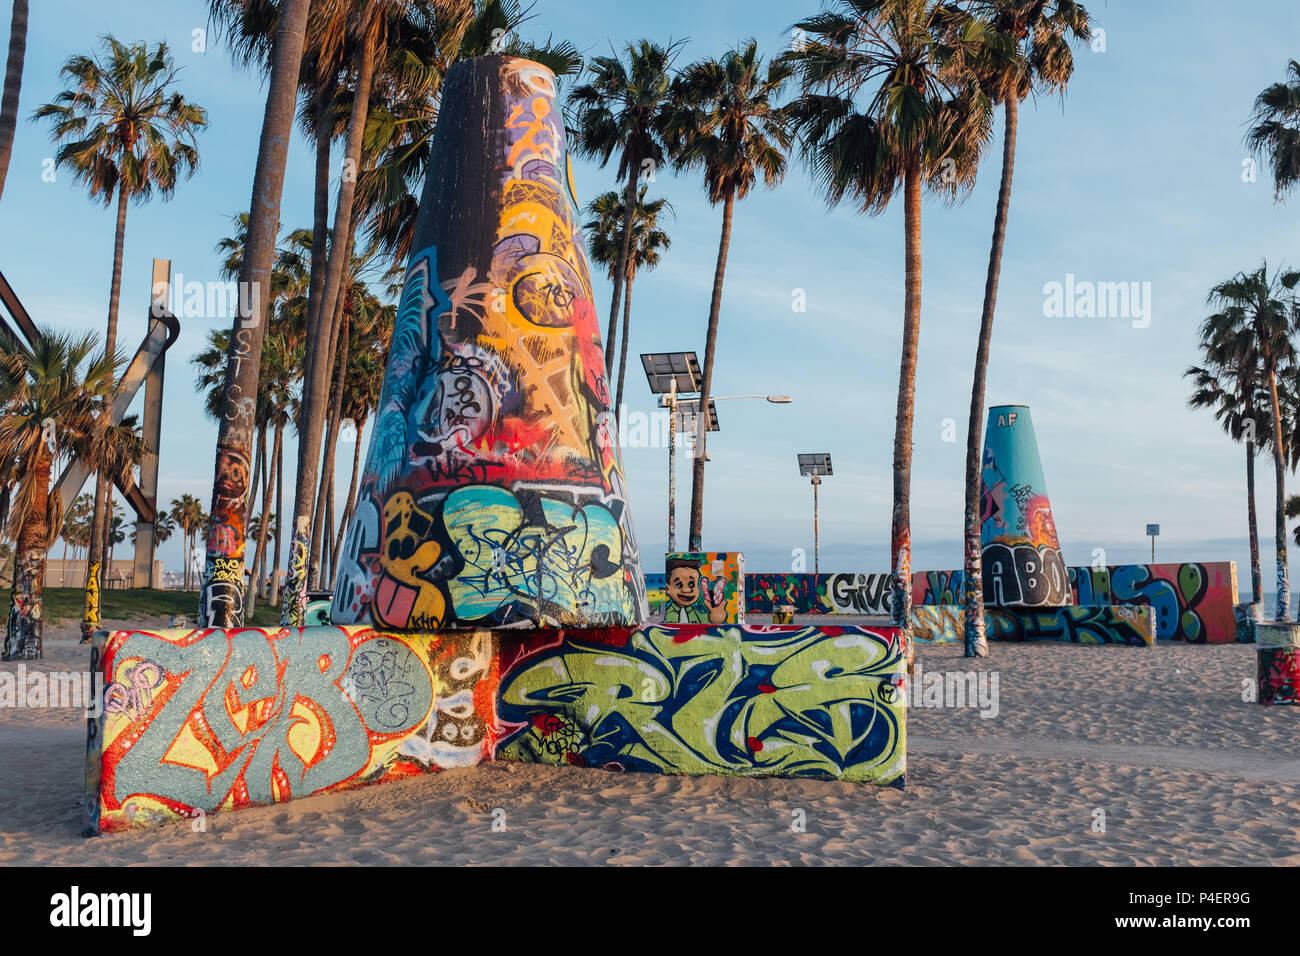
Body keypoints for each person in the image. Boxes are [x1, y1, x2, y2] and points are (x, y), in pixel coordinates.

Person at [662, 557, 727, 624]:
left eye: (691, 584)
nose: (686, 590)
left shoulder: (697, 614)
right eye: (679, 585)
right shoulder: (667, 613)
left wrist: (717, 617)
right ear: (667, 588)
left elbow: (709, 622)